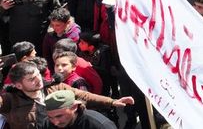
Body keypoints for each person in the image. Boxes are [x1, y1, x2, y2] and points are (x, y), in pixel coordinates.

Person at [0, 62, 132, 128]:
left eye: (37, 75)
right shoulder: (10, 100)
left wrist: (112, 101)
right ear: (18, 85)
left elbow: (84, 96)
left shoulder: (55, 87)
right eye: (31, 79)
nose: (38, 80)